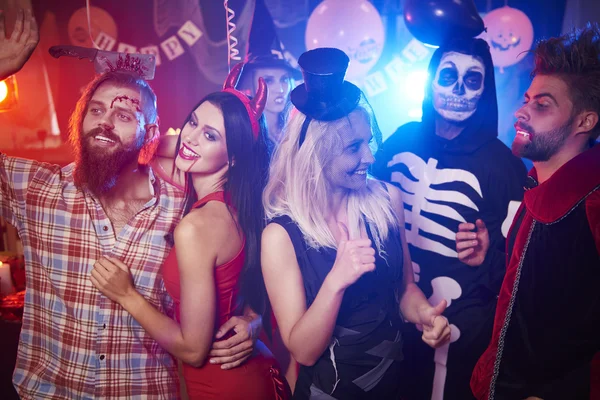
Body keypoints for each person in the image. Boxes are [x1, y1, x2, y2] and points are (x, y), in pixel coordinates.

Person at [0, 11, 259, 399]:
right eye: (96, 110)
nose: (105, 122)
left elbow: (246, 271)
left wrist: (252, 320)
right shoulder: (36, 187)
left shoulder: (185, 206)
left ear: (150, 133)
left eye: (123, 115)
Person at [261, 47, 451, 399]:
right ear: (317, 154)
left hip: (399, 386)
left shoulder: (387, 200)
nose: (370, 156)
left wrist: (424, 313)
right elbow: (303, 350)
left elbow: (404, 290)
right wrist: (337, 280)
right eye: (354, 148)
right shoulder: (281, 236)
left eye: (368, 142)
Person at [91, 63, 290, 399]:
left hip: (226, 386)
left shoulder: (197, 227)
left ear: (234, 158)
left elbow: (193, 348)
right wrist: (254, 319)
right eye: (193, 122)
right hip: (258, 374)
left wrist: (126, 295)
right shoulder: (238, 204)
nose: (190, 138)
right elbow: (146, 150)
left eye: (211, 136)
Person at [372, 37, 527, 399]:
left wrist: (490, 253)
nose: (458, 89)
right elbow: (362, 201)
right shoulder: (401, 140)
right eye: (448, 75)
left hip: (459, 325)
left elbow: (523, 261)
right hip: (385, 313)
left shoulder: (504, 166)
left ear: (485, 90)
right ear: (431, 80)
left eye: (472, 80)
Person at [463, 24, 600, 399]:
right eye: (527, 99)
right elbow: (526, 303)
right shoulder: (534, 188)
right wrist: (488, 261)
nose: (522, 113)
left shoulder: (593, 202)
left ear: (585, 122)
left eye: (542, 105)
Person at [237, 0, 300, 148]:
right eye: (268, 81)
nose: (280, 89)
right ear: (250, 85)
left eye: (284, 79)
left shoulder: (296, 131)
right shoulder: (244, 138)